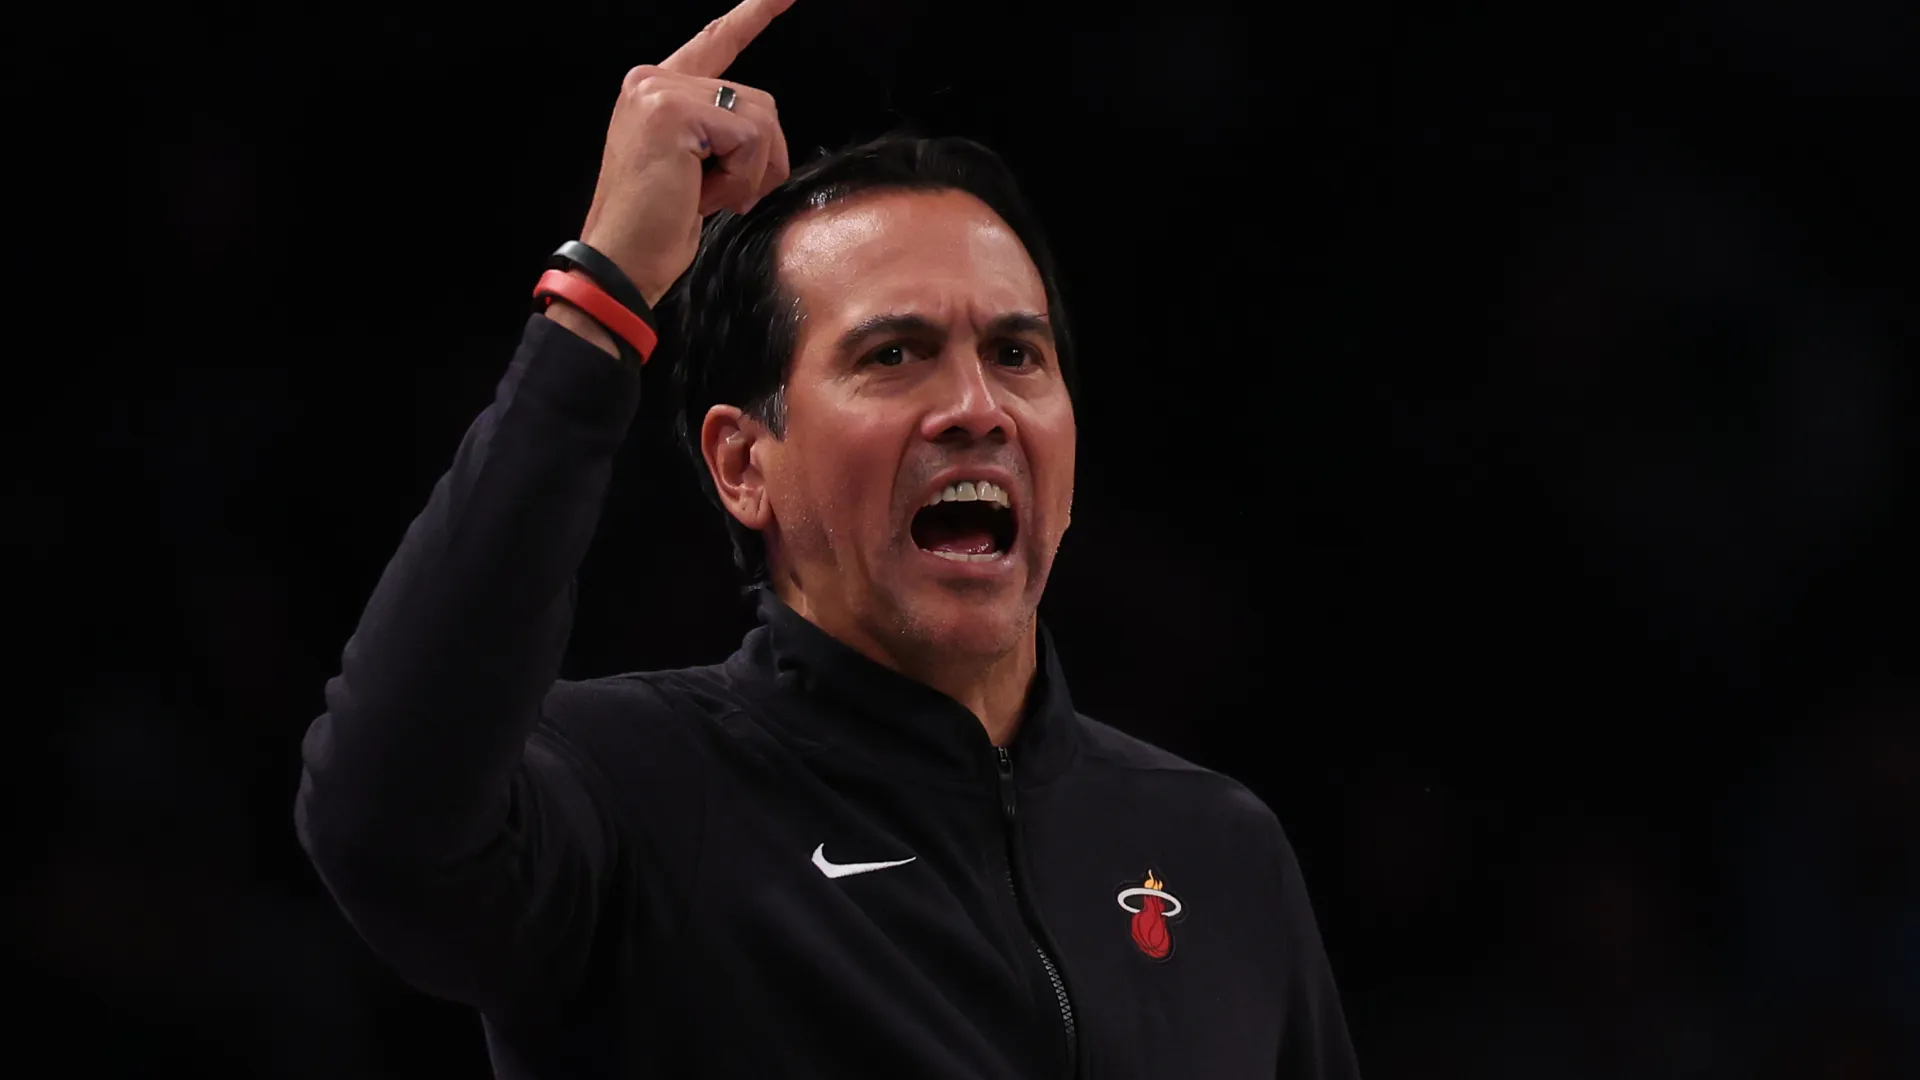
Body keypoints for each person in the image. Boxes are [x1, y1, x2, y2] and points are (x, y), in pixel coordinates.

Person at [293, 0, 1360, 1075]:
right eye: (894, 355)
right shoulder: (638, 797)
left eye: (1018, 354)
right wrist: (602, 298)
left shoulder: (1221, 851)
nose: (977, 407)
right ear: (743, 465)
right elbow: (382, 825)